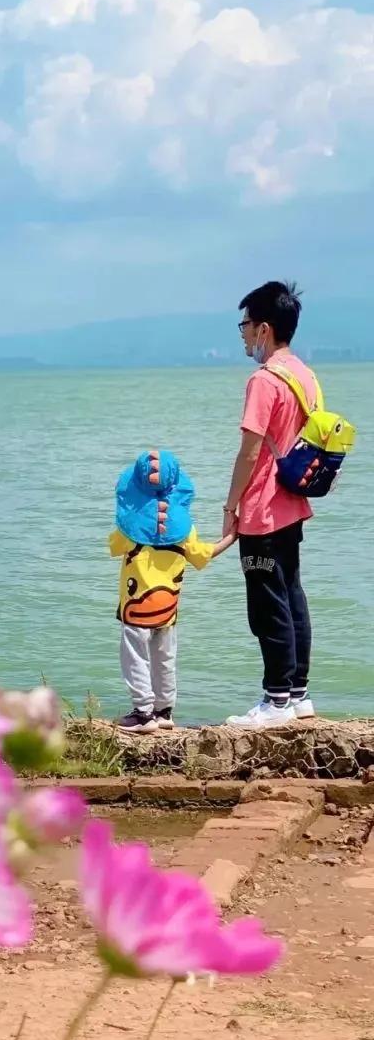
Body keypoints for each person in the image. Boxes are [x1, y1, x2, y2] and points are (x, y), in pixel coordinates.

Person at [223, 281, 317, 728]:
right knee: (292, 594)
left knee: (266, 603)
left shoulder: (263, 381)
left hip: (263, 506)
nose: (241, 334)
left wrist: (230, 507)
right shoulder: (305, 375)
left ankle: (274, 700)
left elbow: (249, 452)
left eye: (244, 325)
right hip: (294, 502)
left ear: (263, 328)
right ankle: (298, 695)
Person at [111, 450, 234, 733]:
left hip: (136, 609)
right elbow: (205, 554)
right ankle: (164, 711)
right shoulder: (185, 531)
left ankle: (143, 713)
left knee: (135, 656)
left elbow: (113, 546)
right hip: (168, 609)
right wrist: (231, 536)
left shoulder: (128, 531)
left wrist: (129, 514)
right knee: (165, 658)